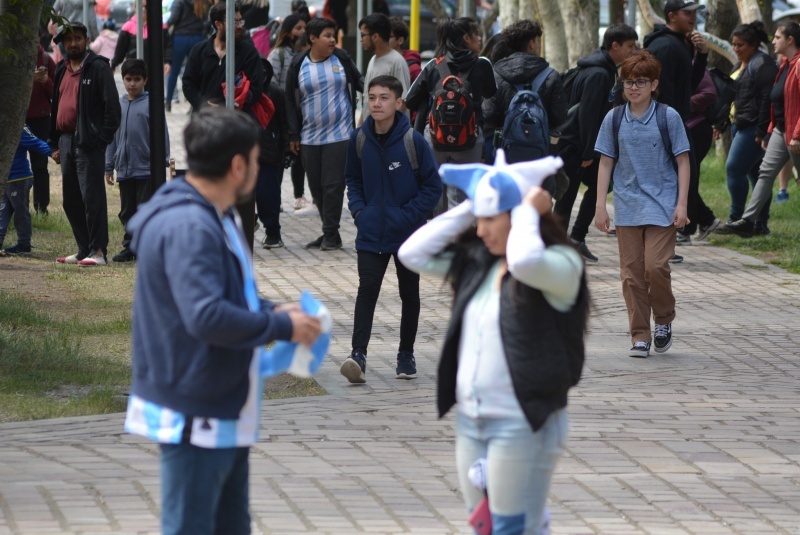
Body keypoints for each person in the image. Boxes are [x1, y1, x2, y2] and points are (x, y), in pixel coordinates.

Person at [124, 107, 322, 535]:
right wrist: (281, 328)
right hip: (195, 409)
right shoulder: (189, 224)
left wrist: (273, 310)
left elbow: (230, 296)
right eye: (256, 158)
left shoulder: (220, 214)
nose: (259, 166)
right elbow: (206, 316)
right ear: (238, 166)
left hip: (222, 404)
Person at [398, 153, 587, 534]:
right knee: (485, 528)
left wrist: (527, 213)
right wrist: (474, 205)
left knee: (510, 528)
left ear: (517, 216)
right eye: (479, 221)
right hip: (472, 419)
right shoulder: (478, 262)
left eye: (491, 219)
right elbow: (411, 253)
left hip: (522, 421)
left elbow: (526, 263)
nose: (481, 230)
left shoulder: (560, 263)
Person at [340, 75, 442, 384]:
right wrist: (360, 211)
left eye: (384, 97)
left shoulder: (413, 141)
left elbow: (432, 187)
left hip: (408, 234)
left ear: (398, 103)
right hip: (371, 231)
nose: (376, 103)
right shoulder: (359, 139)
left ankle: (406, 355)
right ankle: (357, 355)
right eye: (372, 97)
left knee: (408, 293)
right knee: (366, 290)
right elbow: (352, 180)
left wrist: (407, 216)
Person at [594, 51, 691, 359]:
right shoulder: (614, 118)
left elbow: (683, 161)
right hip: (627, 207)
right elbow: (606, 163)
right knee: (631, 273)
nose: (633, 87)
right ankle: (639, 335)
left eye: (640, 82)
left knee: (656, 266)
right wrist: (600, 206)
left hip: (663, 205)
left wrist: (682, 205)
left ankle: (663, 320)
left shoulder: (668, 116)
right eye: (628, 82)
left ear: (654, 84)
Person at [554, 24, 638, 263]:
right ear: (615, 45)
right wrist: (589, 151)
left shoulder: (601, 68)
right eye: (630, 46)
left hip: (581, 144)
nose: (633, 50)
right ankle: (559, 246)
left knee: (599, 187)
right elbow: (588, 114)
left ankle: (575, 239)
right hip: (578, 146)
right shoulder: (599, 73)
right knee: (567, 196)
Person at [644, 0, 719, 248]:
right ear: (672, 16)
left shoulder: (681, 43)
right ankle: (671, 235)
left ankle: (680, 232)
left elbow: (689, 84)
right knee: (674, 180)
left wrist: (702, 55)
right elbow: (660, 92)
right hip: (666, 125)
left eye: (695, 13)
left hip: (677, 122)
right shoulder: (665, 46)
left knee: (687, 178)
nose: (693, 18)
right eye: (687, 13)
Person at [285, 17, 363, 251]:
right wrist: (293, 134)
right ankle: (329, 230)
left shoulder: (341, 58)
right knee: (316, 187)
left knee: (333, 185)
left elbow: (359, 81)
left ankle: (331, 233)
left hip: (339, 135)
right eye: (328, 36)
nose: (332, 40)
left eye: (333, 35)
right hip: (309, 137)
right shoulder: (299, 63)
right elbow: (289, 100)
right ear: (313, 38)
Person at [405, 17, 496, 210]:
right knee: (461, 197)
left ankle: (440, 236)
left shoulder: (433, 65)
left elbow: (411, 99)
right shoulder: (482, 65)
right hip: (469, 139)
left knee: (435, 192)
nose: (480, 38)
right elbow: (491, 93)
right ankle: (459, 236)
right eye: (476, 34)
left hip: (436, 139)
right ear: (465, 38)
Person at [49, 21, 121, 266]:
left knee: (92, 198)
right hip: (65, 141)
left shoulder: (98, 68)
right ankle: (83, 249)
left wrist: (100, 141)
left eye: (77, 38)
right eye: (68, 40)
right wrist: (54, 143)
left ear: (86, 39)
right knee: (71, 199)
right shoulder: (61, 68)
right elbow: (55, 107)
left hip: (89, 144)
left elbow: (113, 110)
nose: (72, 44)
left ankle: (98, 251)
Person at [724, 22, 800, 237]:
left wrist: (796, 135)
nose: (773, 41)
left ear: (790, 40)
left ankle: (746, 218)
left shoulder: (796, 64)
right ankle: (748, 221)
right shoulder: (784, 64)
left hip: (794, 133)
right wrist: (770, 130)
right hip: (780, 130)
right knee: (765, 172)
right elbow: (776, 102)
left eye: (777, 37)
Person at [712, 22, 778, 235]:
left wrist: (762, 131)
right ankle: (759, 224)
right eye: (733, 44)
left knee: (734, 168)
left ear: (752, 45)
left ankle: (736, 218)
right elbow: (732, 98)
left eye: (740, 45)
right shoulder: (741, 64)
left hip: (753, 128)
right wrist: (721, 123)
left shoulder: (762, 64)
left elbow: (769, 100)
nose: (736, 49)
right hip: (737, 125)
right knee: (757, 176)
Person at [104, 59, 169, 262]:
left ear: (145, 80)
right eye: (128, 79)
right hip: (124, 168)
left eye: (137, 79)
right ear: (122, 80)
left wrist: (162, 161)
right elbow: (112, 139)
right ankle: (129, 247)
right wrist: (108, 166)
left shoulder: (152, 104)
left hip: (146, 169)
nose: (133, 84)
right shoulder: (119, 105)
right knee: (127, 211)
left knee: (146, 209)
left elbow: (162, 136)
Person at [182, 2, 265, 112]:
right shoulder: (199, 51)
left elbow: (256, 89)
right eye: (235, 22)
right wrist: (202, 104)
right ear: (218, 24)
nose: (240, 26)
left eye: (241, 21)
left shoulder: (249, 53)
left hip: (235, 121)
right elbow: (188, 84)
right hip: (204, 119)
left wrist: (231, 105)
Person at [267, 14, 309, 211]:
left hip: (302, 112)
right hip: (280, 113)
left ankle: (298, 195)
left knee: (298, 154)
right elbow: (271, 83)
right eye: (297, 28)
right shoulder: (279, 54)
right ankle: (275, 198)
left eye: (304, 28)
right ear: (288, 30)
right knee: (281, 154)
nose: (301, 32)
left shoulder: (307, 54)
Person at [1, 127, 53, 255]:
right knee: (3, 212)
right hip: (5, 179)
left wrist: (54, 152)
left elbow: (35, 143)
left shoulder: (17, 127)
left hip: (19, 178)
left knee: (20, 212)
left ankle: (24, 244)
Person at [255, 59, 289, 249]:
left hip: (269, 153)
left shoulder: (275, 92)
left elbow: (284, 122)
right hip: (244, 153)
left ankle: (273, 232)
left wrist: (286, 146)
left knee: (268, 194)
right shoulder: (237, 90)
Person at [357, 13, 410, 125]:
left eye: (363, 35)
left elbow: (402, 103)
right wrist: (361, 126)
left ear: (375, 37)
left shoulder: (397, 61)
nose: (361, 40)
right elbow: (367, 98)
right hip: (371, 134)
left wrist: (385, 132)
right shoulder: (373, 60)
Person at [27, 44, 57, 215]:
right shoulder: (12, 54)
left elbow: (56, 94)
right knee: (16, 163)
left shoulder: (45, 59)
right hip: (18, 118)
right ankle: (17, 205)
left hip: (41, 118)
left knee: (40, 165)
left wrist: (45, 81)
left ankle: (41, 207)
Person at [166, 0, 211, 112]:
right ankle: (195, 102)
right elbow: (208, 20)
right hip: (198, 38)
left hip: (180, 38)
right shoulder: (203, 2)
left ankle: (168, 101)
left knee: (174, 71)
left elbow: (173, 19)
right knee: (197, 71)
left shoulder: (179, 1)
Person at [389, 16, 421, 84]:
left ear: (400, 40)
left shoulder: (413, 69)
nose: (383, 40)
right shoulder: (378, 62)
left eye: (388, 37)